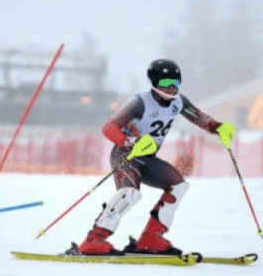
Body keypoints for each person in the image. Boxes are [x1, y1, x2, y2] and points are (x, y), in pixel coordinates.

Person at [75, 59, 236, 255]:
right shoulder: (140, 102)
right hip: (126, 154)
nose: (170, 89)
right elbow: (108, 128)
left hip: (148, 158)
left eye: (175, 84)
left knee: (178, 185)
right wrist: (130, 142)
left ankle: (151, 239)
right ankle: (93, 240)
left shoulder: (179, 102)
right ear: (154, 83)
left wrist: (218, 127)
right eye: (164, 84)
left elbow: (199, 117)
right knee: (130, 193)